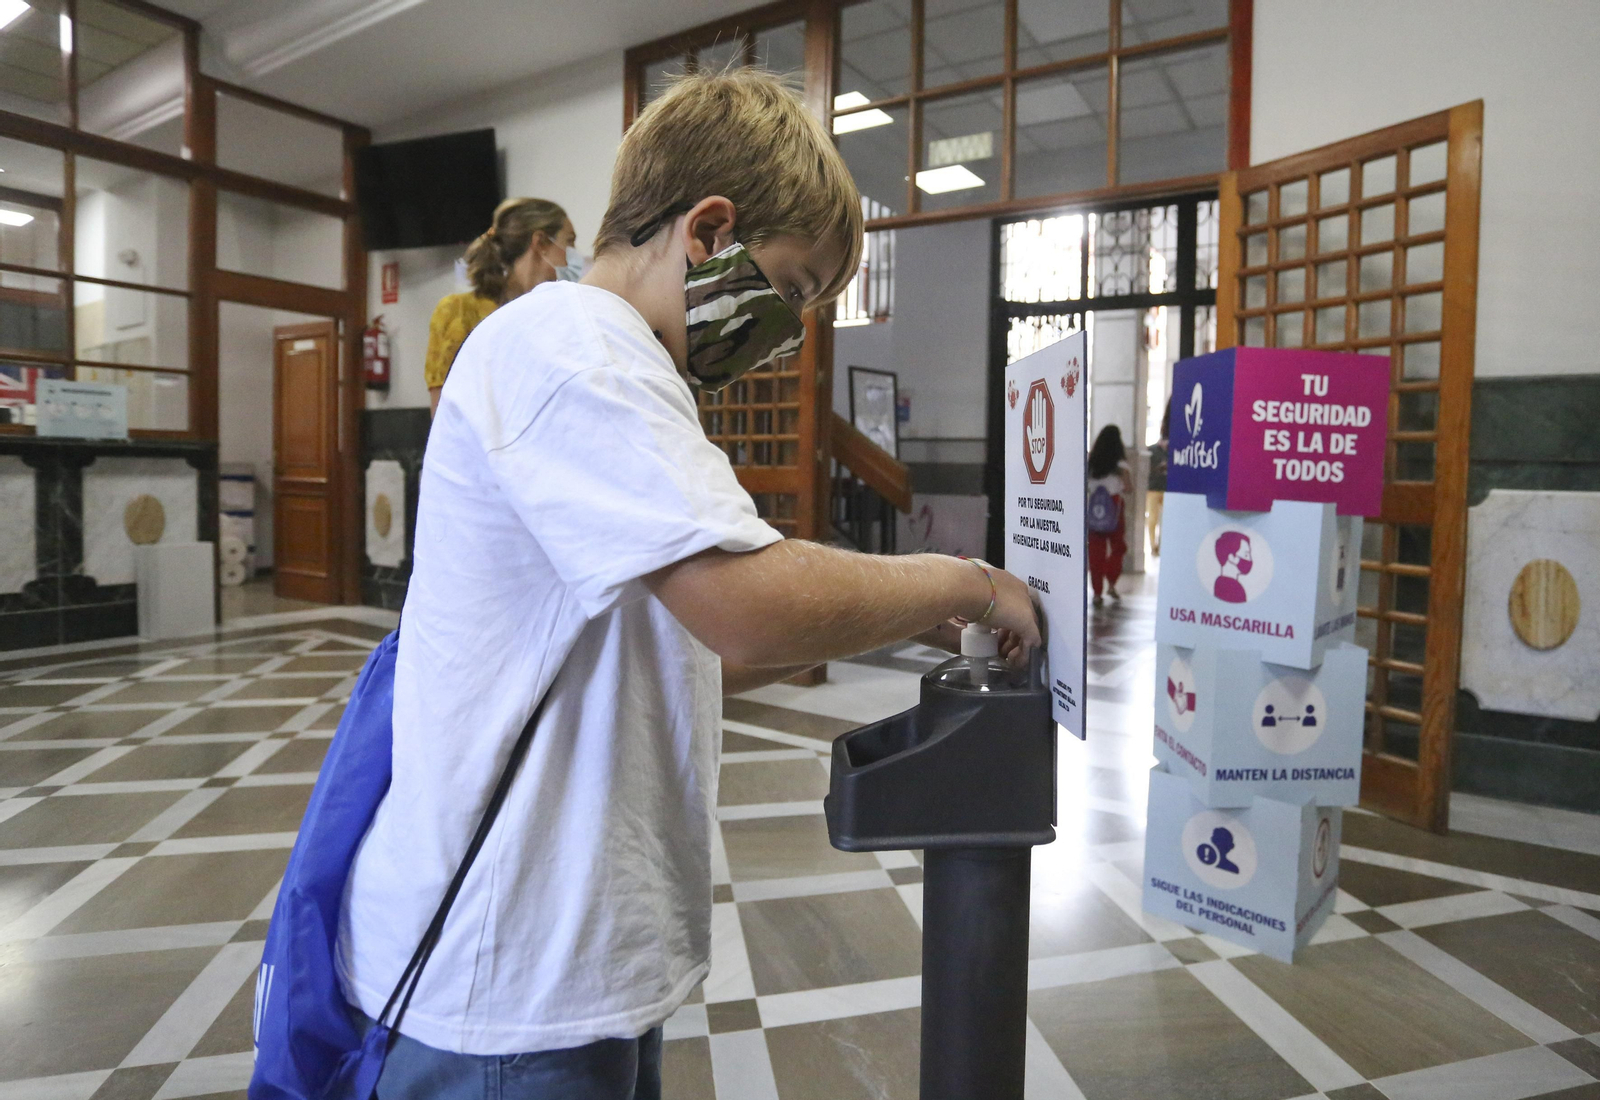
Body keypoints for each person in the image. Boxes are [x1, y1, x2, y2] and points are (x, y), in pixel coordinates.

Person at [336, 69, 1040, 1099]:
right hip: (510, 976)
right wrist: (965, 582)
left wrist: (906, 614)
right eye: (792, 289)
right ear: (707, 230)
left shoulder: (608, 362)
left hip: (569, 960)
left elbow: (679, 652)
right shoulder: (572, 345)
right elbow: (746, 610)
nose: (788, 334)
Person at [424, 197, 580, 416]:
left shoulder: (550, 318)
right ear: (541, 243)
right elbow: (443, 414)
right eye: (569, 242)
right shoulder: (458, 311)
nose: (574, 255)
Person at [1086, 423, 1133, 606]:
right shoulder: (1121, 465)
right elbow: (1128, 488)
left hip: (1094, 509)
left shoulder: (1091, 461)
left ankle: (1097, 593)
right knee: (1118, 547)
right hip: (1114, 508)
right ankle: (1111, 582)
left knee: (1095, 551)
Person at [1147, 407, 1169, 556]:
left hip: (1167, 487)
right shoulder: (1152, 450)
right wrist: (1158, 468)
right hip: (1154, 487)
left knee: (1165, 519)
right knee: (1153, 518)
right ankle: (1153, 545)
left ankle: (1163, 545)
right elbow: (1146, 469)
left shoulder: (1173, 451)